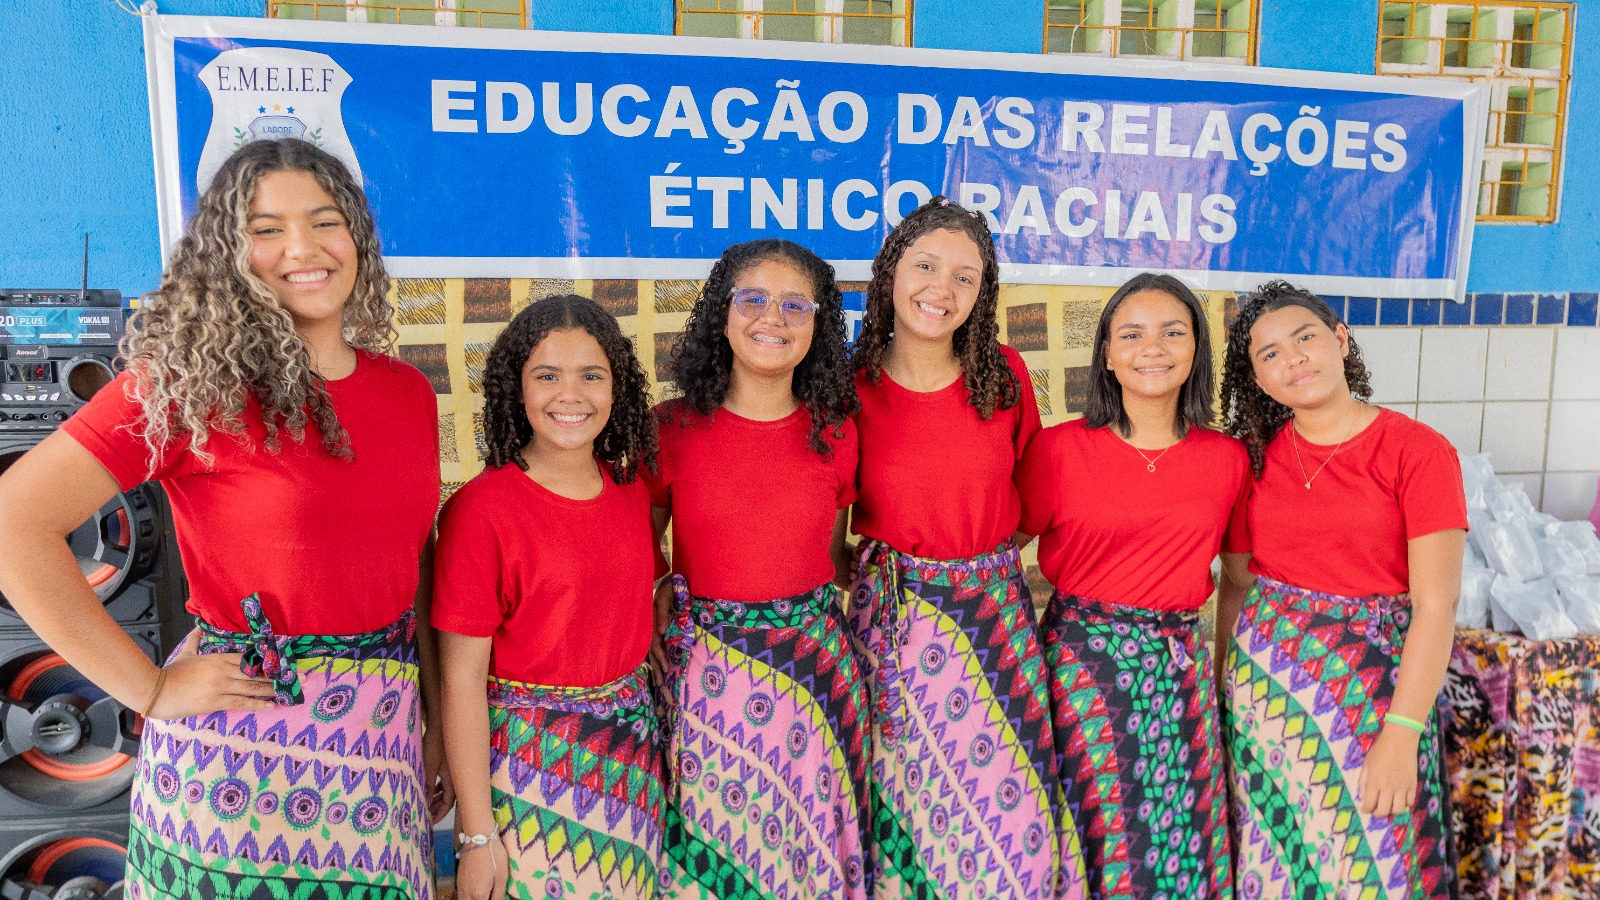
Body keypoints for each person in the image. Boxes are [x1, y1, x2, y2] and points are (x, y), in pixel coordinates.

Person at [0, 138, 447, 897]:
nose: (301, 248)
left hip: (385, 739)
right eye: (265, 229)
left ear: (359, 238)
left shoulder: (406, 393)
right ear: (228, 254)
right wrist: (149, 690)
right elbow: (15, 523)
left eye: (324, 220)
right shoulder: (188, 388)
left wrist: (430, 721)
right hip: (239, 749)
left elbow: (417, 565)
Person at [844, 196, 1080, 899]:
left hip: (993, 624)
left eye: (964, 277)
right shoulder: (848, 385)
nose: (940, 290)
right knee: (901, 807)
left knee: (1005, 807)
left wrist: (969, 572)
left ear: (982, 293)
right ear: (890, 273)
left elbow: (1031, 498)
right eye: (924, 266)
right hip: (890, 627)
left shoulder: (1002, 375)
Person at [1218, 281, 1464, 899]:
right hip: (1267, 704)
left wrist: (1403, 732)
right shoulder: (1255, 459)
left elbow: (1436, 606)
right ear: (1259, 379)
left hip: (1373, 704)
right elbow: (1238, 586)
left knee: (1373, 868)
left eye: (1304, 337)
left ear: (1340, 339)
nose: (1293, 358)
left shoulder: (1418, 451)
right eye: (1269, 353)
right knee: (1277, 867)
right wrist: (1224, 701)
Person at [646, 239, 869, 900]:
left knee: (808, 856)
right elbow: (637, 549)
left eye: (795, 305)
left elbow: (830, 559)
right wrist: (661, 593)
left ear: (818, 327)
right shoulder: (672, 428)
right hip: (707, 677)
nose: (773, 317)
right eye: (754, 299)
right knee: (716, 858)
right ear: (722, 313)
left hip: (815, 677)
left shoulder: (837, 432)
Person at [1017, 272, 1243, 900]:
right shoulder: (1058, 450)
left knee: (1176, 843)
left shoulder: (1227, 459)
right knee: (1087, 833)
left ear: (1195, 349)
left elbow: (1240, 583)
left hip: (1179, 671)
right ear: (1109, 355)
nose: (1154, 347)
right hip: (1078, 671)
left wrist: (1224, 679)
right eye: (1132, 333)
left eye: (1173, 332)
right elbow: (999, 553)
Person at [434, 295, 665, 900]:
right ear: (516, 390)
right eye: (547, 376)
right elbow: (462, 681)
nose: (572, 394)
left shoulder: (631, 491)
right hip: (526, 773)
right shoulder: (480, 511)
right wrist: (477, 834)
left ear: (617, 388)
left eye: (592, 375)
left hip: (630, 761)